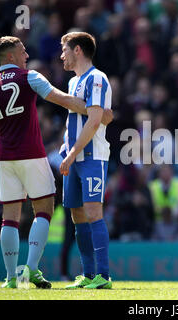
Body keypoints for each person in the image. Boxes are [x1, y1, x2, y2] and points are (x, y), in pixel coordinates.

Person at [0, 36, 112, 289]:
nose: (26, 55)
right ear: (10, 57)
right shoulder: (29, 77)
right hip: (32, 152)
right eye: (22, 51)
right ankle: (31, 269)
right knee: (44, 208)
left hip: (6, 158)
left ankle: (11, 278)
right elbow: (62, 99)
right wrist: (99, 112)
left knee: (9, 217)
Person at [58, 32, 113, 290]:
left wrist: (71, 153)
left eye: (65, 49)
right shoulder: (73, 83)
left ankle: (104, 275)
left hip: (92, 156)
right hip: (75, 155)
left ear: (77, 50)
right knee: (77, 216)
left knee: (93, 213)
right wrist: (66, 145)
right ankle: (88, 275)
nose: (62, 55)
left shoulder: (97, 78)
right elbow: (76, 119)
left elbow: (93, 121)